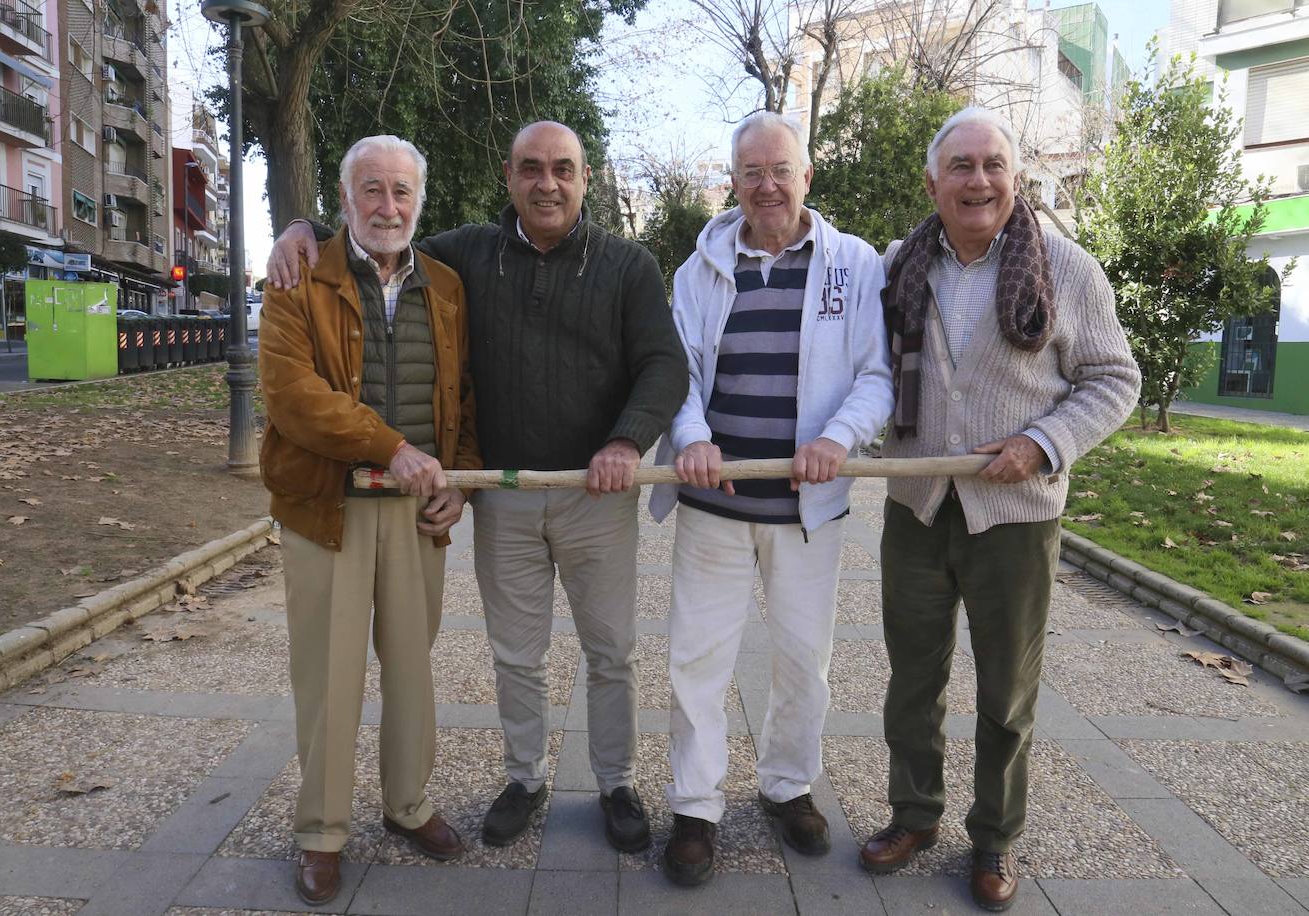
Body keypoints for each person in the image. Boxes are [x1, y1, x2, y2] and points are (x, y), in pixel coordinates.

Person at [266, 121, 688, 854]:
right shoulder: (453, 259)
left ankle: (612, 782)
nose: (547, 183)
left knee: (608, 651)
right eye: (531, 168)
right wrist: (297, 228)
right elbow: (351, 276)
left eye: (563, 169)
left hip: (588, 494)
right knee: (507, 656)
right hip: (452, 500)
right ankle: (508, 783)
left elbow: (658, 364)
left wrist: (626, 438)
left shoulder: (622, 266)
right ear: (509, 176)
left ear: (585, 178)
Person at [862, 107, 1139, 912]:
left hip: (1014, 516)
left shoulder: (1066, 268)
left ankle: (993, 838)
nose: (978, 181)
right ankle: (913, 815)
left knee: (1006, 691)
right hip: (917, 502)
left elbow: (1115, 380)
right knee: (913, 678)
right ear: (932, 183)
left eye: (993, 165)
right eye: (961, 166)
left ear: (1015, 178)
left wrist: (1044, 443)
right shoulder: (899, 266)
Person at [648, 111, 895, 886]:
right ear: (734, 180)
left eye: (781, 170)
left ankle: (788, 786)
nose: (767, 186)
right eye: (752, 172)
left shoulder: (853, 266)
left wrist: (840, 439)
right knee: (697, 657)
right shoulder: (699, 271)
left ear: (807, 175)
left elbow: (877, 375)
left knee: (803, 661)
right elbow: (678, 372)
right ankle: (695, 805)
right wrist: (691, 436)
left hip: (806, 506)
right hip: (714, 504)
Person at [258, 135, 481, 906]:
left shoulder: (447, 284)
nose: (389, 207)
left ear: (421, 198)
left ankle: (408, 805)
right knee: (329, 676)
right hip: (331, 506)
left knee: (413, 670)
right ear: (345, 200)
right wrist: (393, 445)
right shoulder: (298, 275)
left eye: (402, 192)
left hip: (417, 510)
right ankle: (321, 830)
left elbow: (466, 395)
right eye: (372, 191)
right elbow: (291, 396)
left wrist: (465, 484)